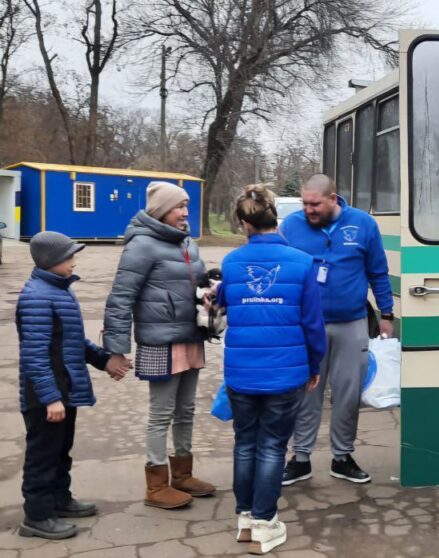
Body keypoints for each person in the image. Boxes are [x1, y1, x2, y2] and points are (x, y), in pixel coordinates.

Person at [216, 185, 326, 554]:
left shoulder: (231, 263)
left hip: (242, 372)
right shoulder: (301, 262)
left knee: (245, 443)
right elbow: (313, 323)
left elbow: (222, 305)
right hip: (286, 372)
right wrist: (314, 365)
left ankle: (245, 518)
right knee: (273, 447)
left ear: (245, 224)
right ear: (273, 217)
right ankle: (265, 522)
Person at [103, 181, 215, 509]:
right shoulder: (141, 245)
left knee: (187, 410)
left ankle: (182, 475)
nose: (185, 213)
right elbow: (121, 298)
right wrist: (117, 348)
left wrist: (210, 289)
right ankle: (155, 485)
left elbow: (191, 282)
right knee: (161, 413)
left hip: (191, 335)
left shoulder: (186, 242)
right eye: (179, 206)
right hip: (159, 341)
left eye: (186, 206)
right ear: (161, 210)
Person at [16, 232, 132, 539]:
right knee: (43, 455)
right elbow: (35, 355)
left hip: (63, 389)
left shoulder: (57, 290)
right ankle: (37, 517)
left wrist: (104, 360)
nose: (74, 261)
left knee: (60, 450)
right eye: (69, 257)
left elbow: (72, 341)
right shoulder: (37, 297)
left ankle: (59, 499)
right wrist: (50, 398)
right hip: (46, 395)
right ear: (51, 261)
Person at [279, 174, 393, 486]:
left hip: (351, 323)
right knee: (306, 393)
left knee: (347, 394)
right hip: (306, 325)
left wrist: (386, 314)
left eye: (314, 204)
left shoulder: (363, 224)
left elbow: (378, 271)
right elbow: (281, 270)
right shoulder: (291, 226)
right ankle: (300, 457)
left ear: (333, 199)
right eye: (304, 203)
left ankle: (342, 457)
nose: (308, 210)